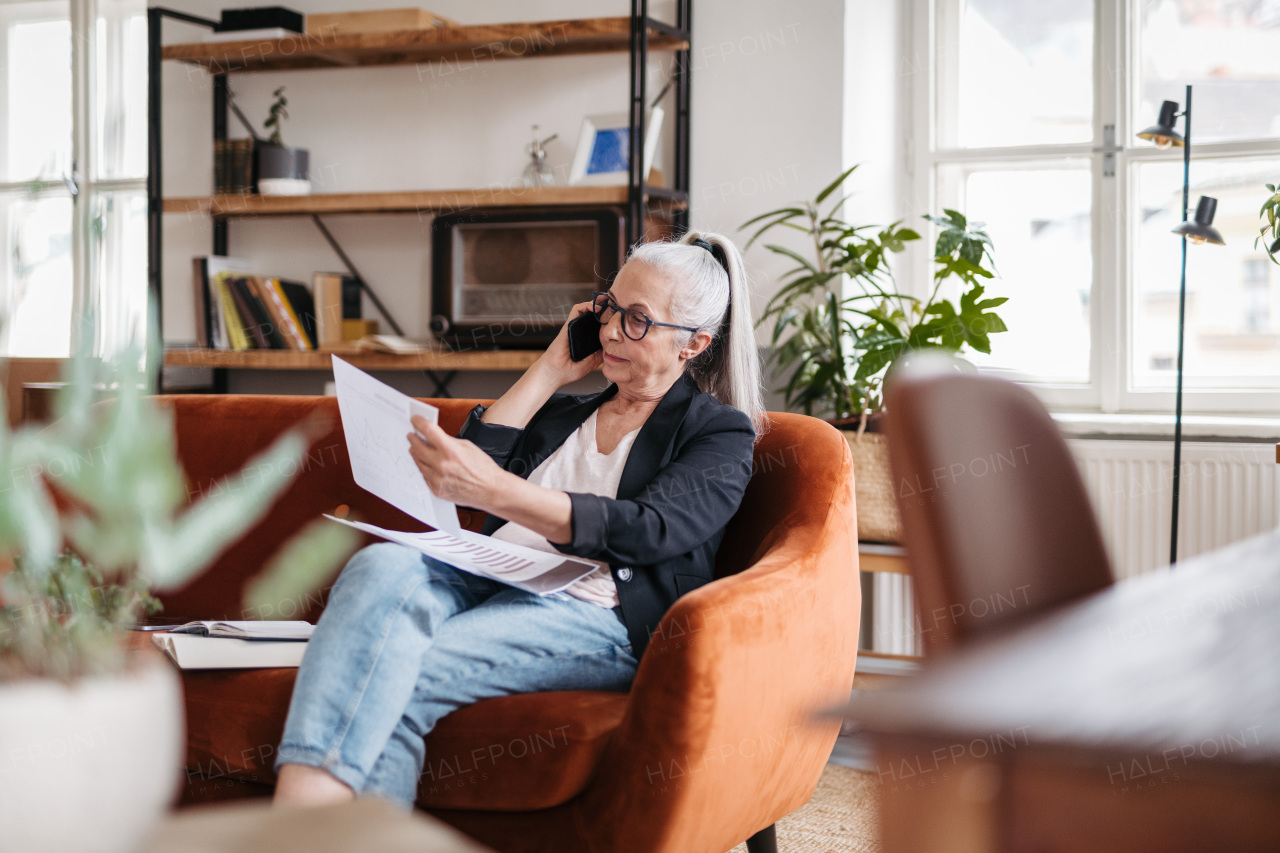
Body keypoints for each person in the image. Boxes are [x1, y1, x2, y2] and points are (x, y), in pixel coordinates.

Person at [272, 231, 765, 808]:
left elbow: (648, 529)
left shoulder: (719, 433)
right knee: (382, 563)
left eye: (637, 320)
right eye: (608, 308)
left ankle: (299, 819)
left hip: (597, 614)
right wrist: (551, 369)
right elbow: (467, 470)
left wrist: (502, 493)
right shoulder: (566, 411)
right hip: (492, 574)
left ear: (694, 343)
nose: (609, 331)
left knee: (392, 673)